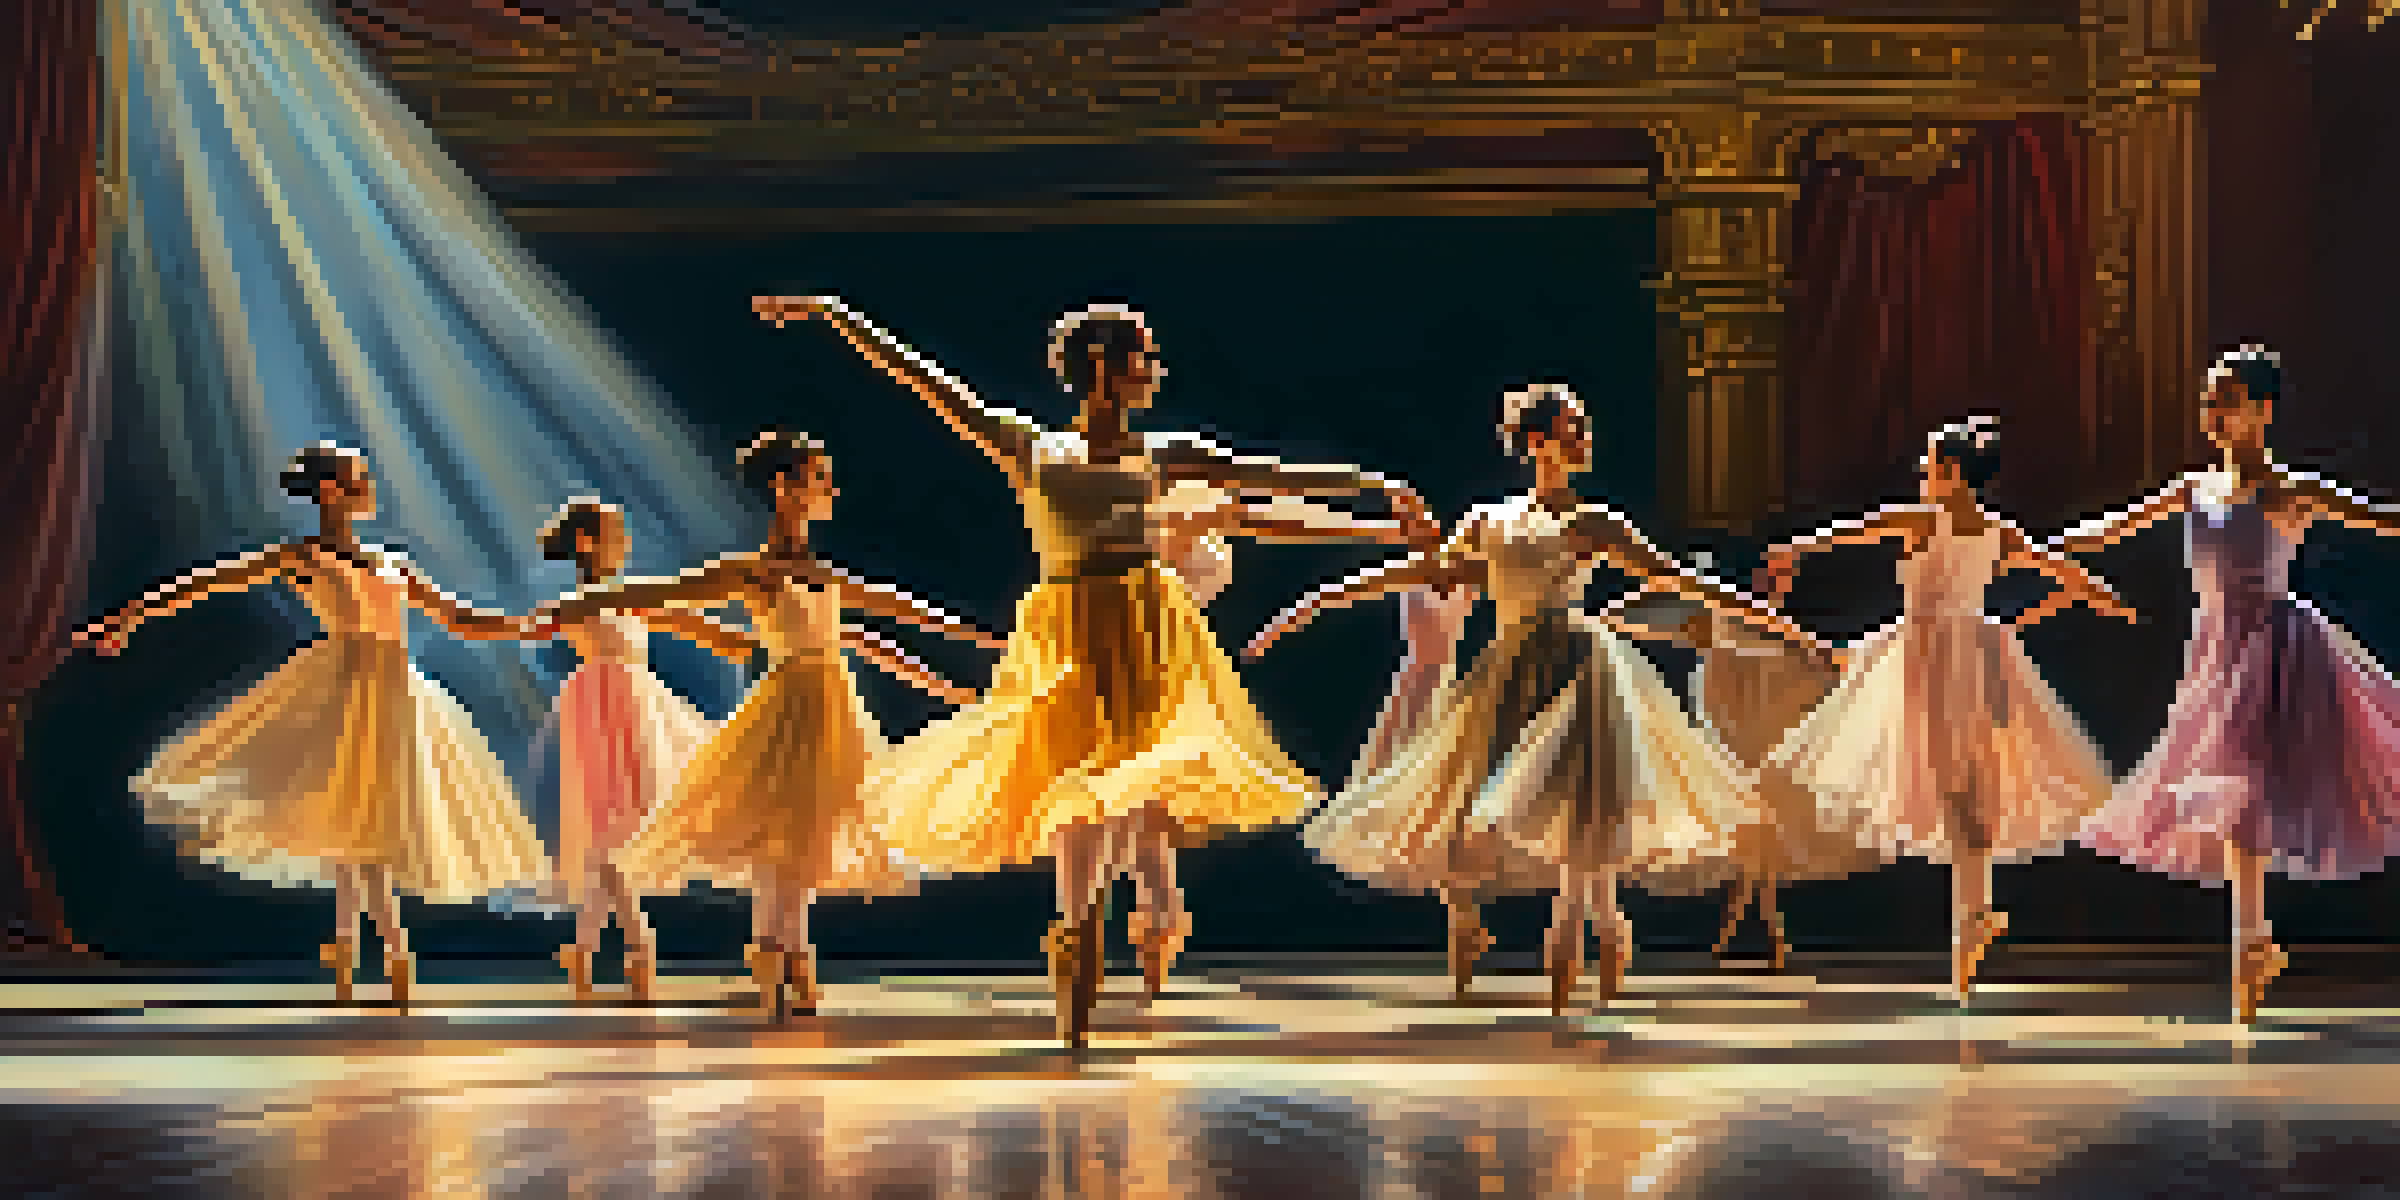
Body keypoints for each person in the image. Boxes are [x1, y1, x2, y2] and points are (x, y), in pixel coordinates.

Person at [758, 295, 1438, 1047]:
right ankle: (1078, 926)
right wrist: (839, 317)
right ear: (1105, 365)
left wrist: (1374, 487)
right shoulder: (1034, 447)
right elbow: (928, 384)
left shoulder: (1163, 454)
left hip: (1146, 629)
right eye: (1144, 355)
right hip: (1067, 629)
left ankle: (1108, 922)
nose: (1155, 369)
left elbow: (1269, 477)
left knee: (1121, 783)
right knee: (1076, 784)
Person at [1249, 383, 1829, 1013]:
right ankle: (1544, 924)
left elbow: (1683, 581)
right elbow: (1426, 571)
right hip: (1511, 670)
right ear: (1536, 441)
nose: (1584, 438)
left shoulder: (1594, 523)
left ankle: (1581, 933)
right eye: (1571, 427)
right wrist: (1317, 601)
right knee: (1471, 802)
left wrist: (1791, 631)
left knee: (1583, 809)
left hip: (1580, 669)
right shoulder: (1489, 521)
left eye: (1583, 426)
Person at [537, 429, 998, 1019]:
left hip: (833, 708)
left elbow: (889, 613)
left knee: (806, 831)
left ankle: (785, 949)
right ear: (786, 488)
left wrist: (973, 650)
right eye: (818, 477)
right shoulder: (752, 570)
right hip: (791, 704)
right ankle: (778, 951)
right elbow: (667, 592)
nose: (829, 488)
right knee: (784, 828)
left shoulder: (821, 572)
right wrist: (584, 603)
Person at [73, 443, 549, 1007]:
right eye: (355, 478)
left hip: (396, 691)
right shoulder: (299, 556)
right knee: (356, 823)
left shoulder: (391, 562)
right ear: (328, 491)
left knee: (369, 821)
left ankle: (352, 946)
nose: (367, 486)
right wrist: (127, 618)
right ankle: (389, 950)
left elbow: (460, 618)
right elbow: (205, 583)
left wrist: (526, 626)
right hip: (340, 686)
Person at [2058, 346, 2400, 1024]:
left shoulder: (2288, 491)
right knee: (2235, 800)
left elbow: (2379, 517)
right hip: (2216, 650)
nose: (2213, 413)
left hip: (2276, 649)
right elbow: (2123, 523)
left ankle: (2250, 942)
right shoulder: (2194, 488)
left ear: (2262, 411)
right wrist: (2057, 545)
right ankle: (2253, 940)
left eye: (2228, 401)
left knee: (2250, 794)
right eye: (2209, 401)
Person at [1759, 416, 2134, 1002]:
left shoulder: (1926, 518)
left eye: (1930, 461)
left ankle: (1972, 925)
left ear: (1953, 472)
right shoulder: (1994, 529)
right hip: (1978, 655)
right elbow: (2054, 567)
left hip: (1933, 655)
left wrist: (1796, 548)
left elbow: (1856, 530)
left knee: (1954, 786)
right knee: (1967, 789)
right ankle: (1973, 920)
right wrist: (2097, 594)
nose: (1922, 471)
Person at [524, 498, 758, 1001]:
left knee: (621, 833)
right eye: (615, 534)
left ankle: (582, 948)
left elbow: (684, 620)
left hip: (642, 712)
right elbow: (527, 630)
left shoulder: (630, 596)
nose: (625, 543)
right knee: (610, 834)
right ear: (587, 542)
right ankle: (637, 942)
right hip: (597, 712)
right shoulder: (576, 603)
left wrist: (734, 639)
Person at [1598, 552, 1875, 971]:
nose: (1774, 585)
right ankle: (1752, 930)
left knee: (1758, 831)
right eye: (1769, 577)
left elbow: (1821, 664)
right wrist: (1660, 587)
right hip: (1732, 738)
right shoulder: (1724, 620)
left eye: (1781, 580)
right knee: (1751, 832)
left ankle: (1751, 930)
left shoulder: (1775, 634)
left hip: (1760, 738)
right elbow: (1630, 616)